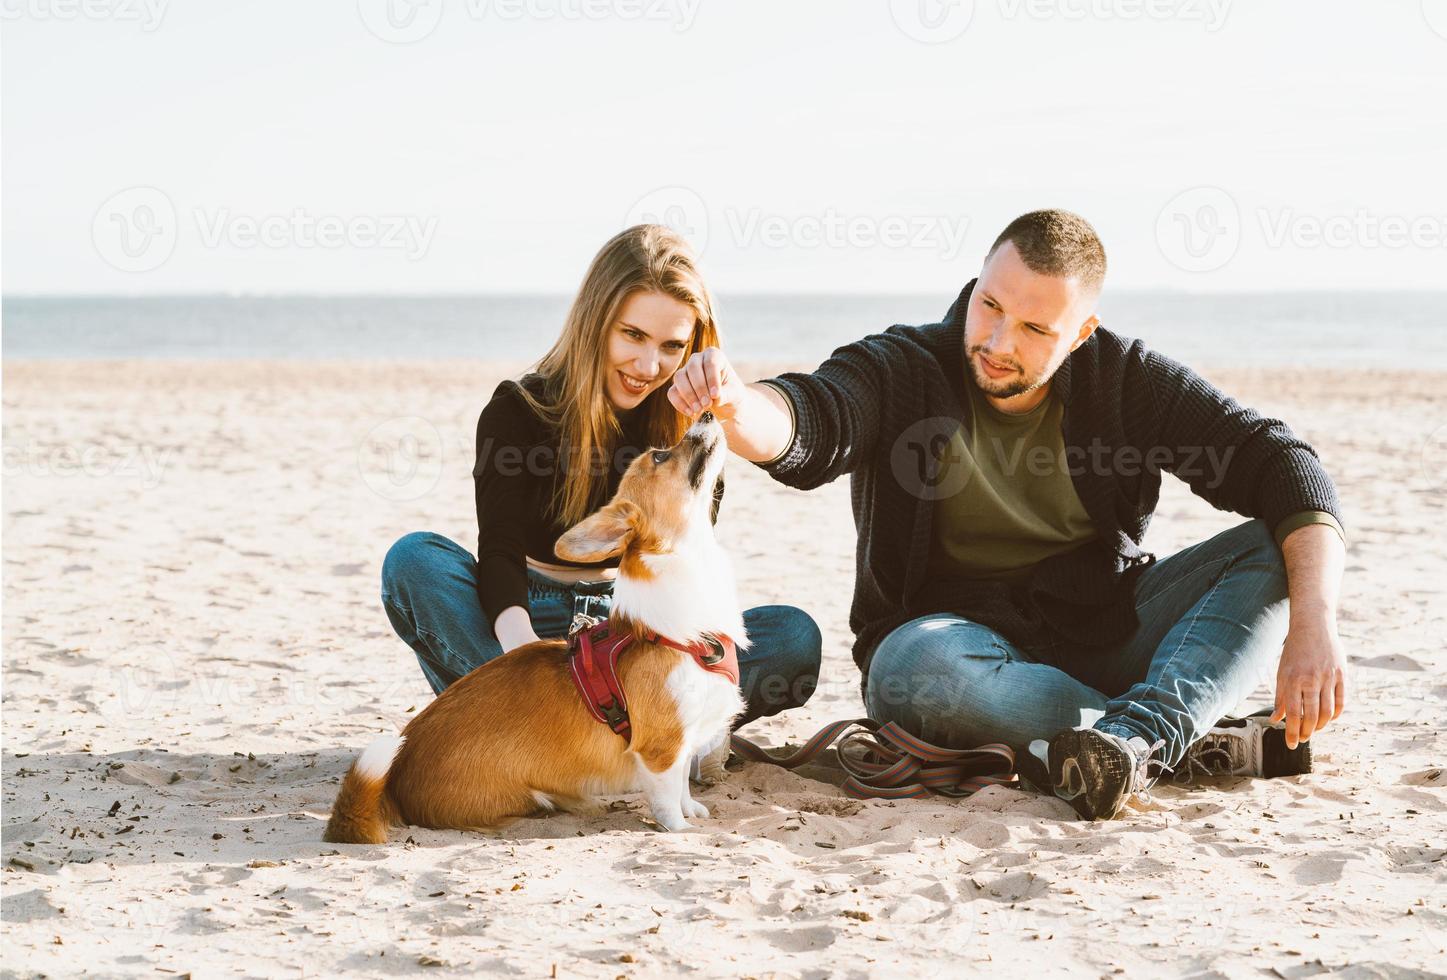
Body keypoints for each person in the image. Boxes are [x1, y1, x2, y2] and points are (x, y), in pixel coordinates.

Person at [667, 209, 1348, 820]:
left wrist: (1315, 625)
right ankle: (1166, 733)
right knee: (919, 663)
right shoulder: (904, 367)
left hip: (1100, 625)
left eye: (1031, 328)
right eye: (988, 305)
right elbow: (813, 418)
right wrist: (735, 403)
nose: (996, 340)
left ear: (1080, 332)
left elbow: (1279, 464)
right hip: (951, 650)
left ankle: (1130, 741)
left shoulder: (1122, 379)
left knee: (1270, 546)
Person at [381, 224, 822, 778]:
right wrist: (523, 655)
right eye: (632, 335)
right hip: (532, 625)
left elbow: (686, 569)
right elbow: (498, 549)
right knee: (414, 561)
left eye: (671, 346)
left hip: (637, 629)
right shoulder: (518, 409)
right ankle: (557, 731)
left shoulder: (690, 427)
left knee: (793, 636)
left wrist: (723, 412)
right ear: (596, 323)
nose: (647, 367)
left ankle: (611, 742)